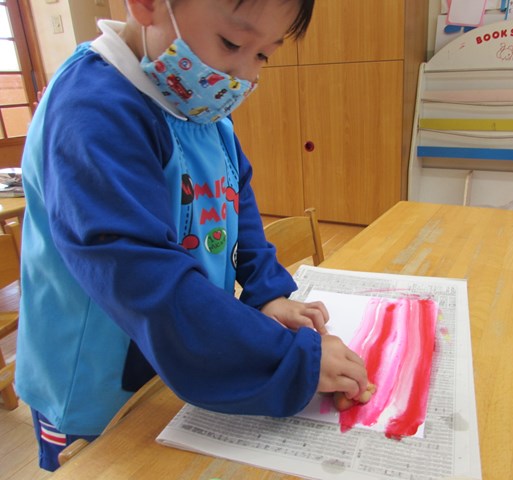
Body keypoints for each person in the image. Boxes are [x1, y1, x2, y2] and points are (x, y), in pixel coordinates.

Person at [16, 0, 369, 471]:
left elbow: (235, 198)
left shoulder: (199, 101)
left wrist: (266, 291)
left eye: (264, 55)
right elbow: (144, 277)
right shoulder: (92, 110)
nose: (246, 76)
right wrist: (291, 359)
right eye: (232, 43)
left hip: (184, 351)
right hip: (97, 387)